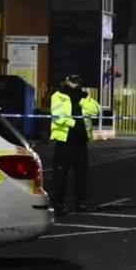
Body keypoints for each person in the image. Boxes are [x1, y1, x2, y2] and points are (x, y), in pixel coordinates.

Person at [50, 75, 100, 216]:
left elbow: (96, 110)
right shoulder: (58, 96)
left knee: (81, 175)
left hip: (80, 141)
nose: (76, 84)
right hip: (64, 140)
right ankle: (57, 204)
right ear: (66, 82)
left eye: (78, 82)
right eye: (73, 81)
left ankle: (80, 203)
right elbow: (57, 116)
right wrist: (74, 123)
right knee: (60, 175)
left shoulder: (83, 96)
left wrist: (82, 100)